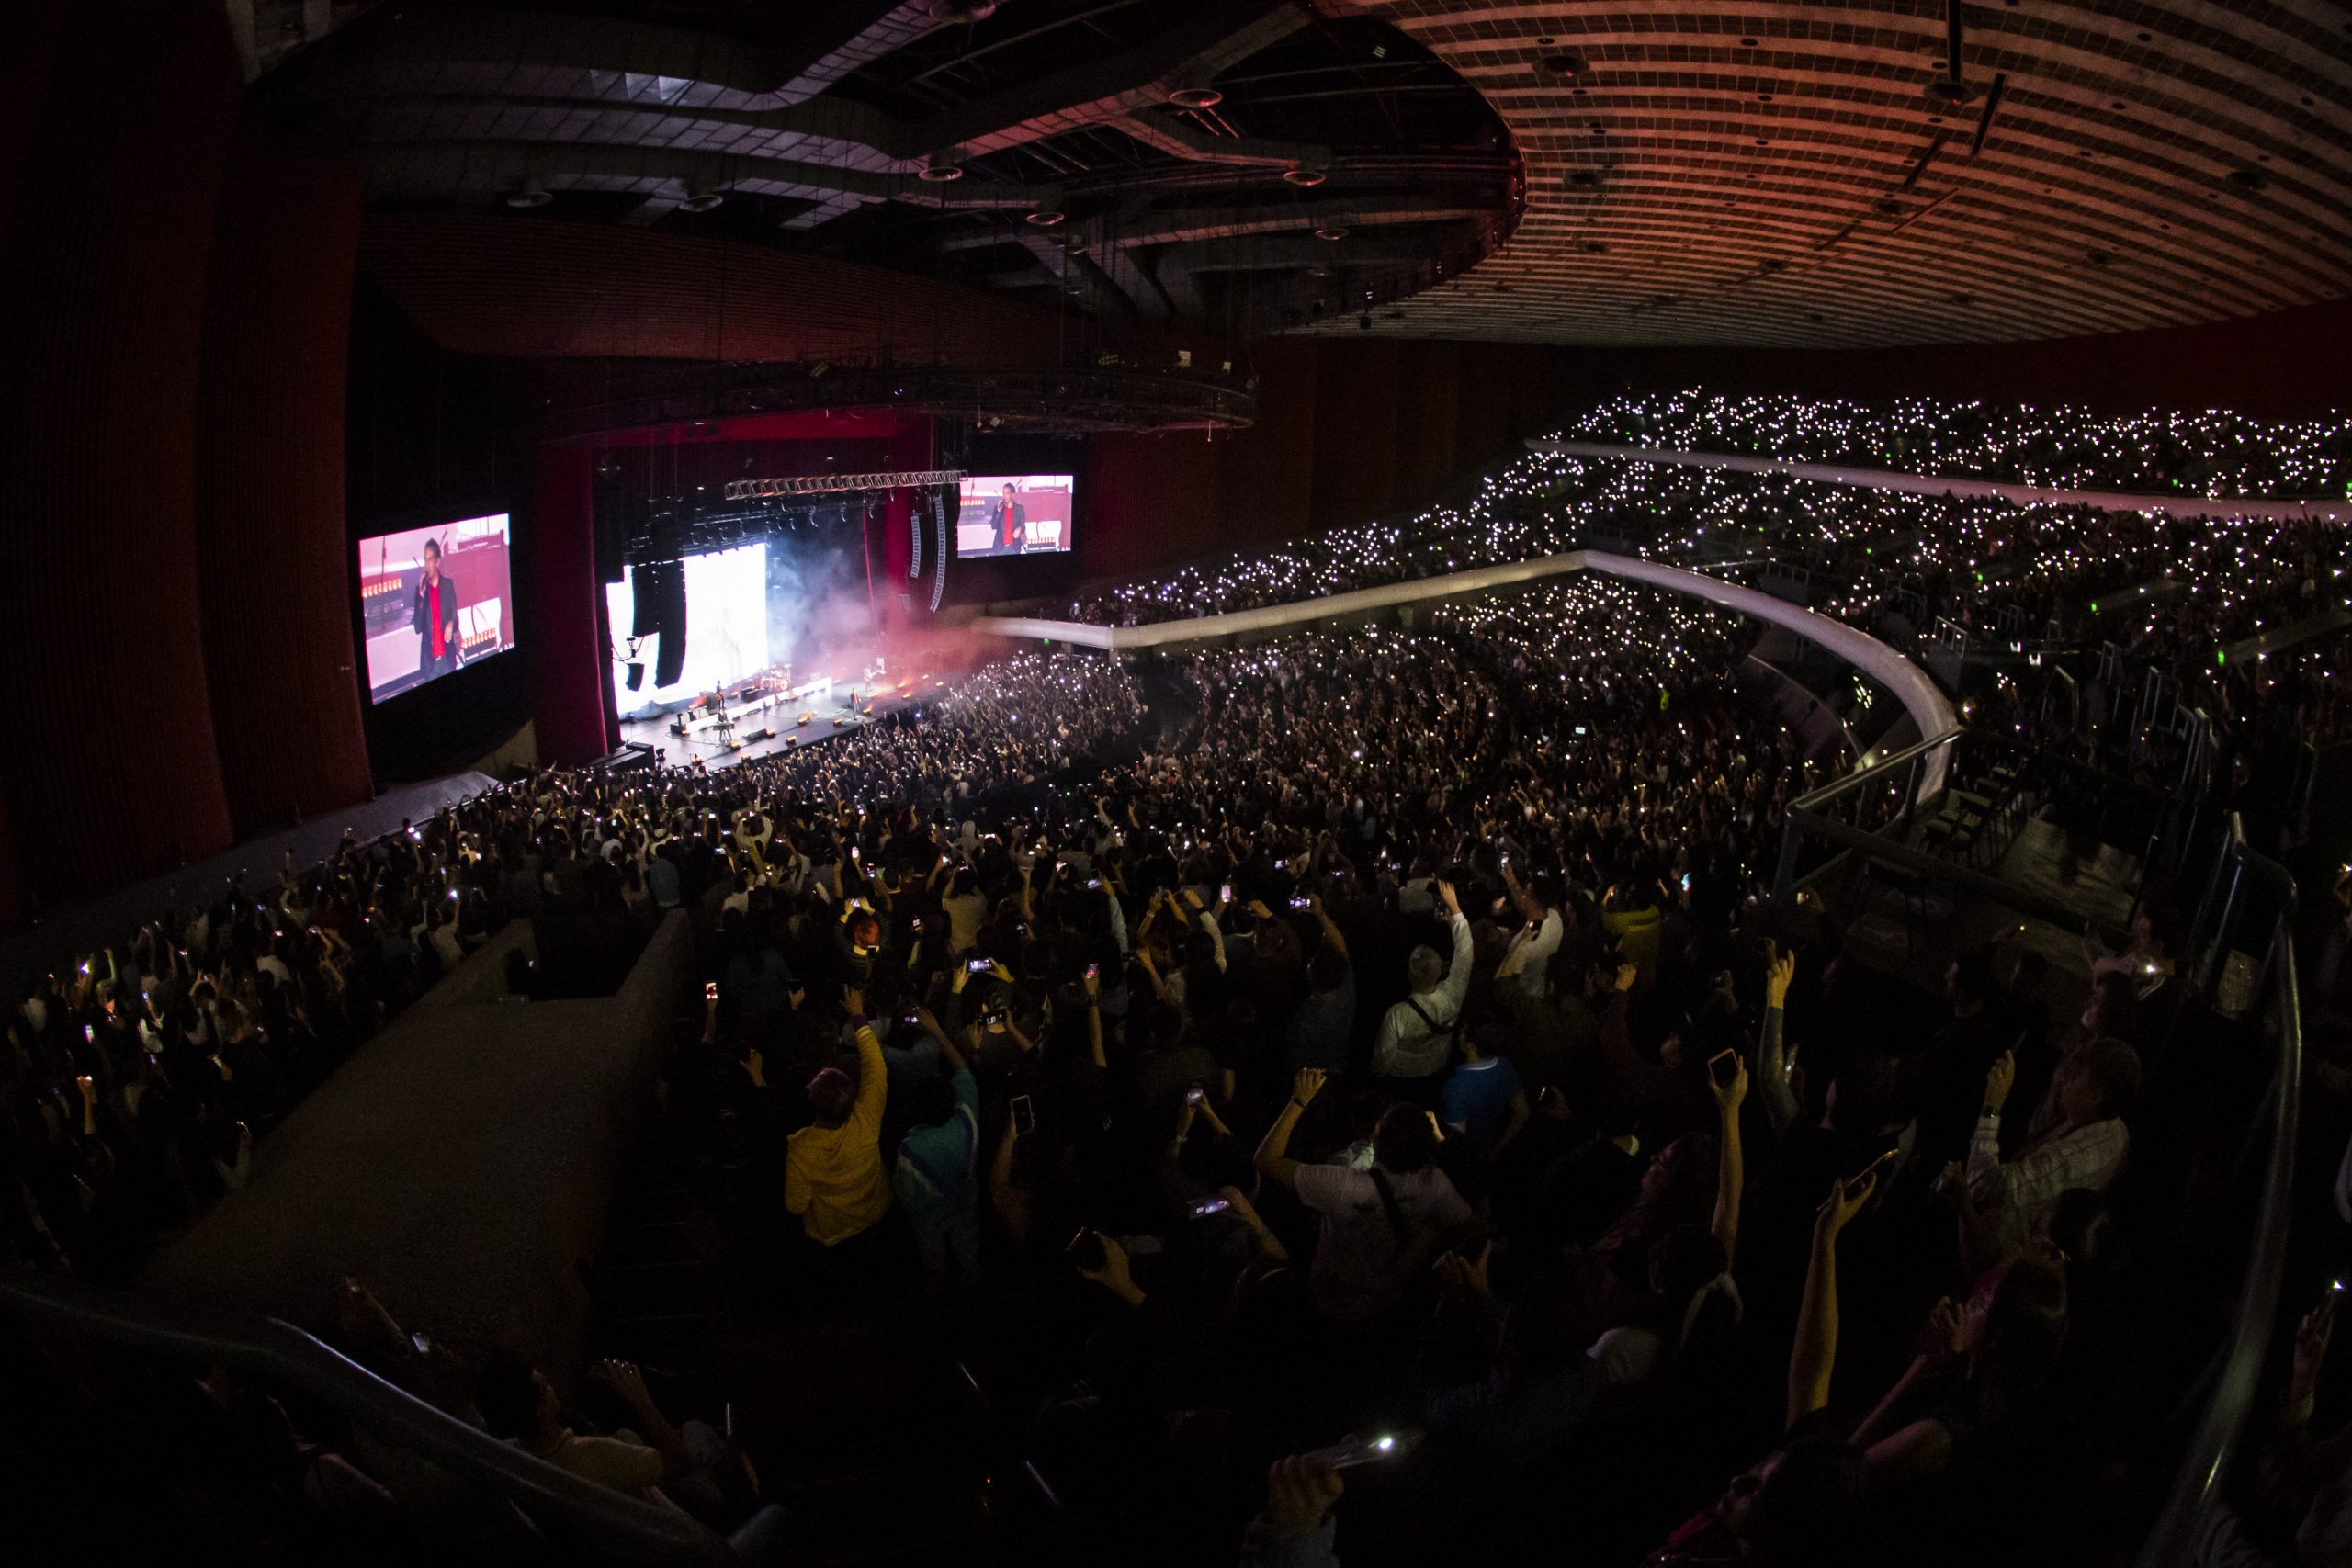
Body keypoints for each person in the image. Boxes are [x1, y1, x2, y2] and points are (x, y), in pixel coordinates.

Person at [1256, 1067, 1473, 1321]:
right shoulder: (1436, 1183)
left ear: (1377, 1134)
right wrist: (1426, 1240)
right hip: (1390, 1308)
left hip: (1332, 1305)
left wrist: (1299, 1099)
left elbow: (1266, 1160)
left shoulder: (1342, 1184)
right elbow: (1467, 1226)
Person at [784, 1005, 891, 1250]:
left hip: (832, 1231)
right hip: (875, 1213)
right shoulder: (866, 1120)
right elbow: (876, 1067)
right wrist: (858, 1016)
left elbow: (796, 1206)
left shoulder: (801, 1148)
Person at [894, 1023, 979, 1295]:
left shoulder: (910, 1149)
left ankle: (939, 1296)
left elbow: (907, 1195)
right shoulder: (968, 1118)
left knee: (933, 1261)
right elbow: (963, 1071)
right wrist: (939, 1032)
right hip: (966, 1203)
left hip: (930, 1219)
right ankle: (974, 1293)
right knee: (970, 1253)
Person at [1370, 879, 1471, 1099]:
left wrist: (1377, 1078)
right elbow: (1465, 954)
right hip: (1438, 1069)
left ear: (1409, 972)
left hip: (1403, 1080)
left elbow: (1382, 1060)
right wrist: (1455, 909)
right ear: (1440, 970)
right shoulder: (1453, 995)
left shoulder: (1397, 1015)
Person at [412, 538, 460, 681]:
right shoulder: (421, 590)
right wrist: (420, 598)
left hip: (447, 659)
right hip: (430, 664)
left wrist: (451, 624)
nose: (427, 564)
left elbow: (456, 621)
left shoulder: (447, 585)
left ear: (438, 561)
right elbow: (418, 627)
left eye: (430, 559)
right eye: (425, 560)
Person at [992, 481, 1027, 553]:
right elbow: (993, 526)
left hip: (1014, 548)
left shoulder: (1019, 509)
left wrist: (1019, 528)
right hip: (1000, 548)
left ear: (1012, 495)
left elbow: (1023, 527)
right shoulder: (998, 508)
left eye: (1007, 493)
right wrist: (998, 512)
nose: (1004, 496)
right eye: (1003, 493)